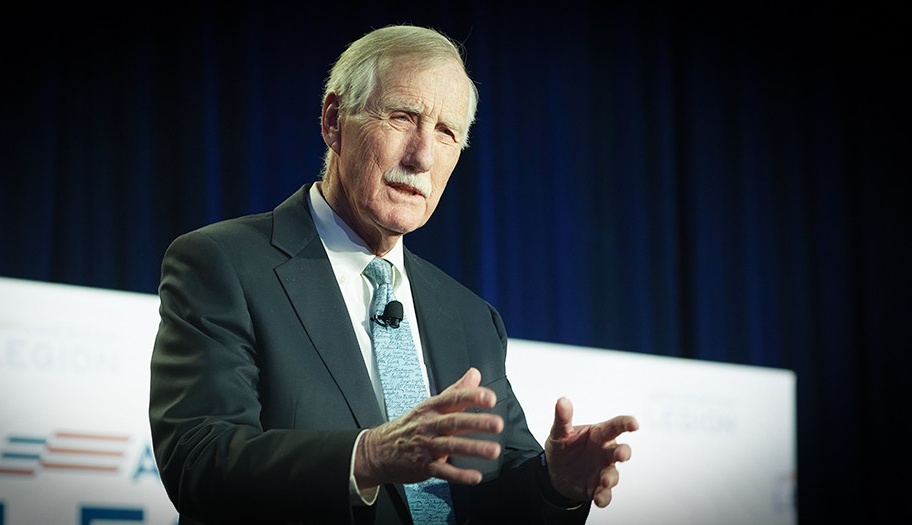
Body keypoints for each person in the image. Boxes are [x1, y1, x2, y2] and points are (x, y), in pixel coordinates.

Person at [149, 25, 638, 524]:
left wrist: (556, 485)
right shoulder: (223, 263)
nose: (422, 156)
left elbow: (498, 490)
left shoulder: (471, 318)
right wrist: (369, 457)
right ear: (334, 121)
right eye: (403, 117)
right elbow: (198, 461)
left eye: (446, 133)